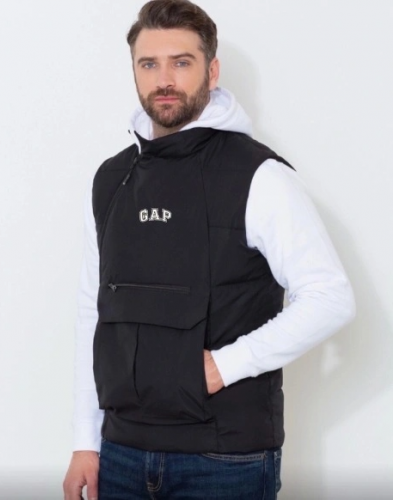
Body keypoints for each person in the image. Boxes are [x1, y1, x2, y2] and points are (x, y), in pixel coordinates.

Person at [63, 1, 356, 498]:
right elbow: (93, 312)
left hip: (225, 460)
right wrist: (84, 443)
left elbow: (330, 297)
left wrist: (223, 366)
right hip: (121, 452)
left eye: (181, 62)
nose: (164, 80)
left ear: (212, 71)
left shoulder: (260, 176)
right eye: (149, 64)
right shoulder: (111, 179)